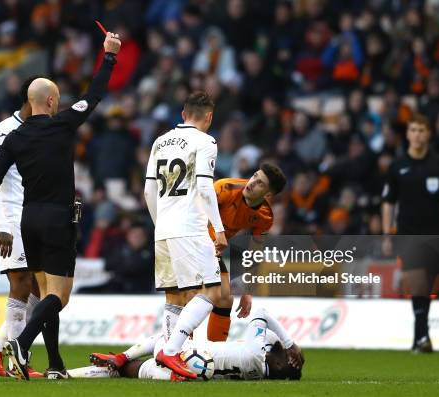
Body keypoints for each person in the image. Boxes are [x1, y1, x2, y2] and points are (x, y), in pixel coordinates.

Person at [0, 31, 121, 380]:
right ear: (53, 101)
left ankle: (55, 365)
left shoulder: (13, 137)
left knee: (42, 295)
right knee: (59, 296)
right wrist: (110, 56)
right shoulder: (64, 125)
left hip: (28, 220)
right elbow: (95, 94)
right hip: (57, 219)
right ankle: (22, 343)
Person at [143, 91, 228, 379]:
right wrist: (219, 229)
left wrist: (160, 223)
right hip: (190, 227)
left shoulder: (159, 141)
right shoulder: (206, 142)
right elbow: (205, 188)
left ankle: (167, 360)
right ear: (209, 117)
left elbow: (148, 191)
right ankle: (172, 351)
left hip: (163, 228)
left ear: (183, 114)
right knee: (213, 291)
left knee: (174, 296)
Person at [0, 75, 44, 378]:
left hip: (34, 216)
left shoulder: (41, 130)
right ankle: (20, 362)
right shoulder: (3, 131)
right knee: (21, 281)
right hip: (10, 216)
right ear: (33, 99)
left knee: (42, 290)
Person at [381, 113, 439, 353]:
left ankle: (420, 338)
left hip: (437, 233)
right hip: (408, 233)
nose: (416, 134)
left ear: (428, 134)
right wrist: (387, 233)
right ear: (407, 134)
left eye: (421, 130)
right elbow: (388, 201)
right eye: (413, 130)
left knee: (435, 285)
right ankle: (422, 336)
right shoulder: (397, 166)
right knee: (418, 283)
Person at [81, 308, 303, 381]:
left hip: (186, 354)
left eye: (283, 355)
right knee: (134, 372)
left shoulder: (255, 353)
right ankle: (73, 374)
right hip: (193, 372)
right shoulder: (258, 371)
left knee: (165, 339)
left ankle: (122, 356)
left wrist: (290, 344)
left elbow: (261, 314)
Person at [206, 164, 287, 342]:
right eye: (254, 176)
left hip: (212, 252)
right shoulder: (224, 187)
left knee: (225, 299)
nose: (252, 182)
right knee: (198, 297)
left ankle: (214, 354)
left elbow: (254, 252)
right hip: (192, 242)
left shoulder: (265, 216)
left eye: (260, 183)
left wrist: (248, 290)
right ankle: (180, 352)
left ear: (268, 195)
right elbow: (194, 211)